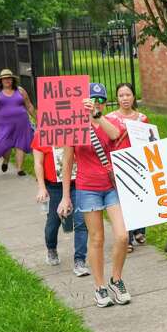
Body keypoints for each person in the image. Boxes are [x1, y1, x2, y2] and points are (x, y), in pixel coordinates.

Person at [57, 83, 132, 308]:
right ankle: (99, 287)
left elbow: (115, 134)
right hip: (87, 188)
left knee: (122, 236)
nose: (96, 103)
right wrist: (65, 196)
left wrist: (96, 116)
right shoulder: (74, 127)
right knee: (97, 238)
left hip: (111, 187)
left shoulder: (107, 121)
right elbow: (68, 162)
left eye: (100, 100)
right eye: (92, 99)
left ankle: (116, 279)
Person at [32, 135, 90, 276]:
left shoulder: (74, 132)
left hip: (77, 183)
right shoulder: (41, 134)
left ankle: (79, 260)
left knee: (81, 221)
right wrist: (41, 187)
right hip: (54, 187)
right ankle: (51, 249)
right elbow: (38, 163)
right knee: (53, 221)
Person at [107, 82, 150, 250]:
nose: (125, 98)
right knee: (124, 202)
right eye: (121, 95)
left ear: (133, 96)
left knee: (139, 198)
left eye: (128, 95)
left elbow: (148, 141)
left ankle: (139, 229)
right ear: (117, 98)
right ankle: (128, 238)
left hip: (138, 164)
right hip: (118, 165)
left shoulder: (142, 118)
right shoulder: (109, 118)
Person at [0, 69, 35, 175]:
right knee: (4, 144)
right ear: (1, 80)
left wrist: (37, 118)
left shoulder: (20, 90)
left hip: (21, 123)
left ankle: (19, 169)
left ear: (13, 80)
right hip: (3, 124)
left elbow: (29, 105)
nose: (7, 80)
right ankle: (6, 160)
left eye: (9, 78)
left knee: (20, 144)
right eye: (5, 79)